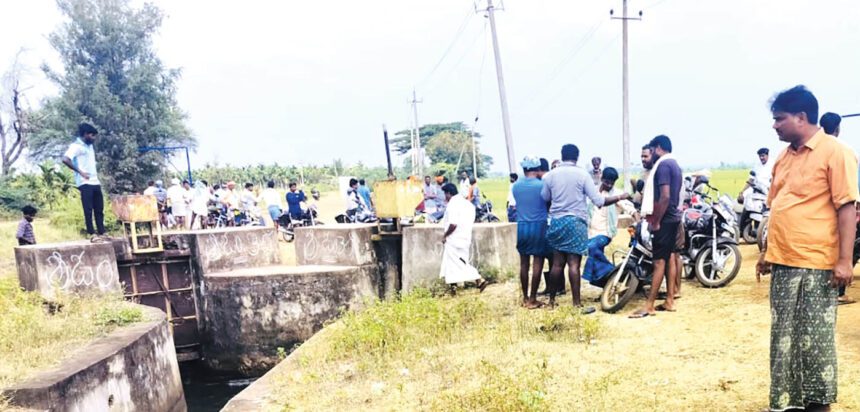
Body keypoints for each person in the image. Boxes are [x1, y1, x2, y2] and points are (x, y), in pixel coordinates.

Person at [756, 85, 858, 412]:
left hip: (817, 266)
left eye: (779, 119)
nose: (774, 126)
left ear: (801, 117)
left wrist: (844, 261)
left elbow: (846, 207)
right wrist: (766, 252)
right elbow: (778, 207)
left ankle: (818, 407)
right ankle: (789, 405)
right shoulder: (783, 158)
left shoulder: (835, 152)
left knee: (815, 348)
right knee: (783, 344)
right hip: (784, 265)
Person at [541, 144, 630, 311]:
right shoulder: (583, 175)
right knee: (574, 264)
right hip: (576, 222)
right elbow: (599, 201)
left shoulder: (550, 175)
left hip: (557, 221)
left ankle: (551, 302)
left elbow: (545, 197)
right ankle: (576, 303)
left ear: (562, 155)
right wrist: (620, 196)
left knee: (557, 264)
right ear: (577, 157)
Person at [630, 135, 683, 318]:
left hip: (665, 219)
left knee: (659, 261)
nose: (650, 154)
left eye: (651, 150)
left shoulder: (663, 166)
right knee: (669, 258)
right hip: (673, 217)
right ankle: (669, 300)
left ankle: (649, 305)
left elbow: (665, 196)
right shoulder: (674, 164)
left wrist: (656, 220)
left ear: (658, 148)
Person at [820, 112, 857, 306]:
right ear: (838, 129)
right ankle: (839, 291)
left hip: (821, 217)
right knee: (851, 246)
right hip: (844, 209)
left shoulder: (811, 149)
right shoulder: (845, 150)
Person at [583, 167, 639, 286]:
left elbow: (631, 209)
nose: (609, 185)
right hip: (589, 233)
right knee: (595, 262)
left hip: (605, 234)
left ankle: (614, 272)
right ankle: (606, 286)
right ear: (602, 178)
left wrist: (638, 222)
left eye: (611, 183)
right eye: (606, 182)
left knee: (591, 248)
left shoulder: (617, 194)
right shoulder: (593, 191)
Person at [512, 156, 550, 308]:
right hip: (539, 225)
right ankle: (533, 298)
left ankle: (525, 297)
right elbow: (548, 202)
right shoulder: (542, 185)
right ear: (537, 168)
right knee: (538, 262)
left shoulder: (515, 186)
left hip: (522, 225)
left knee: (524, 263)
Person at [439, 183, 490, 294]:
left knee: (458, 264)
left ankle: (479, 279)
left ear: (448, 193)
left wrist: (445, 235)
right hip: (465, 237)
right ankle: (453, 288)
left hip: (454, 239)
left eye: (445, 194)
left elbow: (453, 224)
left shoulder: (453, 205)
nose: (445, 197)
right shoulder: (466, 204)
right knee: (454, 263)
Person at [62, 123, 105, 240]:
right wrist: (80, 172)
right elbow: (65, 159)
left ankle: (102, 232)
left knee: (99, 208)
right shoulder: (75, 146)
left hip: (95, 181)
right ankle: (92, 233)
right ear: (85, 134)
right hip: (84, 182)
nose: (94, 138)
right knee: (88, 209)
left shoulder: (90, 146)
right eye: (92, 135)